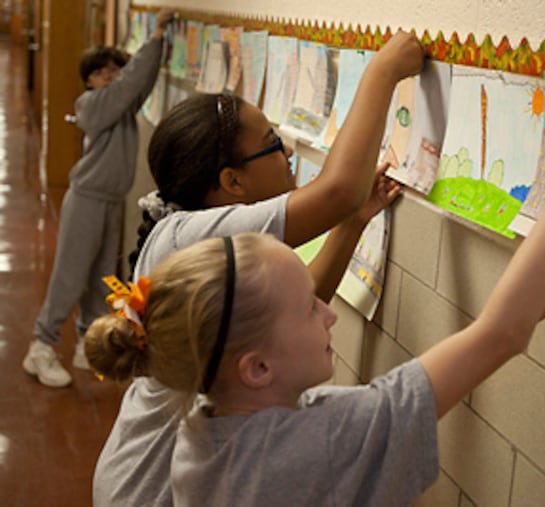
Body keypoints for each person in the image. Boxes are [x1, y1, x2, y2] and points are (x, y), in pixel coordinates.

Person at [85, 68, 545, 506]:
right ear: (256, 368)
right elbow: (498, 335)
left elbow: (499, 331)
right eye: (307, 311)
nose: (328, 315)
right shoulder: (312, 446)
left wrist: (532, 305)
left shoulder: (211, 430)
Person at [88, 31, 425, 507]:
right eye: (273, 145)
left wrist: (351, 225)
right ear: (231, 182)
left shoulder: (190, 232)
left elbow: (299, 304)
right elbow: (338, 190)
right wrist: (382, 71)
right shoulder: (191, 237)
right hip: (144, 491)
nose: (288, 153)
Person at [22, 9, 176, 388]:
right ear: (89, 81)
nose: (110, 77)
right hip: (87, 199)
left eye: (114, 70)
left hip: (110, 201)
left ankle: (87, 342)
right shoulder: (92, 106)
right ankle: (41, 345)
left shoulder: (119, 108)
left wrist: (158, 49)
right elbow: (128, 87)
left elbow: (138, 84)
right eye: (101, 72)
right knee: (70, 277)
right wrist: (154, 35)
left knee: (102, 278)